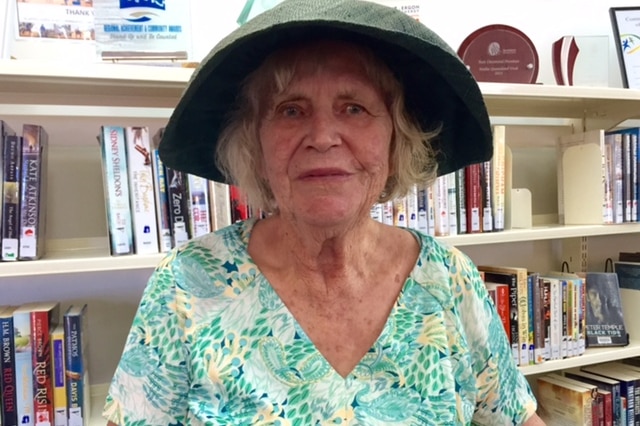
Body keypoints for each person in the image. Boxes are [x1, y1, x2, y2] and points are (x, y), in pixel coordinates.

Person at [103, 0, 545, 424]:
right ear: (255, 146)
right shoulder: (187, 284)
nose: (322, 136)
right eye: (291, 110)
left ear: (396, 140)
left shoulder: (448, 280)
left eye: (354, 108)